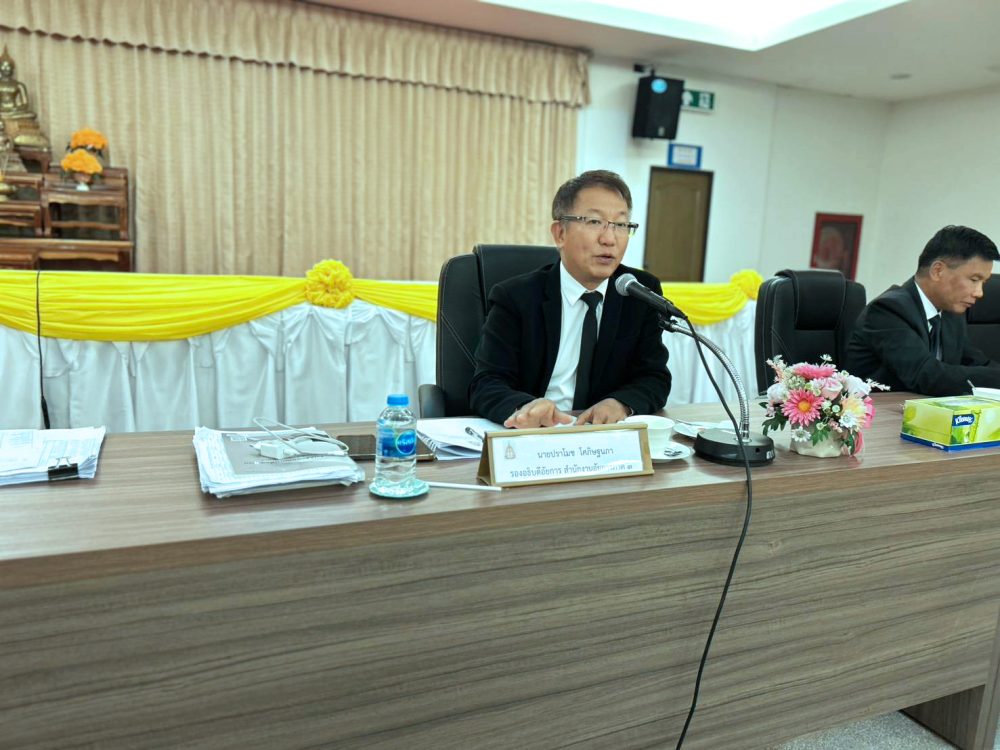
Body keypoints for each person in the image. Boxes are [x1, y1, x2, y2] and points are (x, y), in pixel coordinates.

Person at [469, 169, 671, 428]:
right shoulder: (516, 297)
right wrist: (524, 408)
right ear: (560, 234)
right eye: (594, 222)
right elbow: (486, 383)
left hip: (604, 439)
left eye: (621, 225)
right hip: (537, 435)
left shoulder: (639, 292)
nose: (609, 239)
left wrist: (620, 403)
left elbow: (654, 377)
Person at [846, 225, 1000, 395]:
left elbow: (976, 362)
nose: (979, 292)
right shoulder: (887, 310)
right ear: (938, 271)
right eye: (974, 279)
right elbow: (926, 375)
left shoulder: (951, 313)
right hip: (882, 409)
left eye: (983, 283)